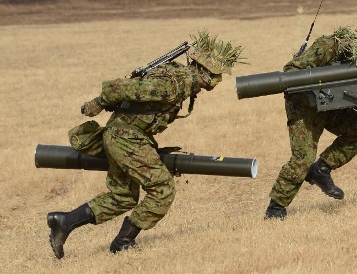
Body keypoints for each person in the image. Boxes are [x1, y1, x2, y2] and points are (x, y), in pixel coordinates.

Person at [47, 30, 243, 259]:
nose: (216, 83)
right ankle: (123, 241)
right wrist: (98, 102)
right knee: (163, 190)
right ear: (204, 71)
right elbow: (117, 88)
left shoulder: (179, 79)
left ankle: (64, 222)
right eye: (215, 76)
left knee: (123, 197)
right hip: (125, 138)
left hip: (123, 137)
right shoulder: (174, 85)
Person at [265, 2, 357, 219]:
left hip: (332, 106)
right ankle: (276, 208)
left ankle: (321, 170)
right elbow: (291, 71)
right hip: (306, 106)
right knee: (302, 158)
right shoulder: (331, 45)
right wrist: (323, 84)